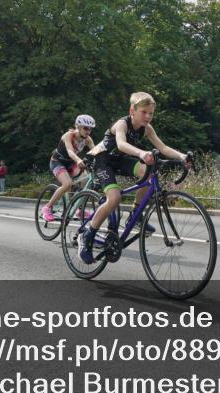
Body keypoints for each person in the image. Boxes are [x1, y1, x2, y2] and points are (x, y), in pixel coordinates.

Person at [80, 92, 191, 264]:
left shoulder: (147, 128)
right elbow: (121, 144)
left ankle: (135, 215)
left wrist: (182, 156)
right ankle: (88, 236)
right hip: (103, 160)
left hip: (121, 160)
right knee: (114, 198)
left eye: (151, 113)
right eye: (144, 112)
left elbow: (163, 147)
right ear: (132, 110)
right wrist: (141, 152)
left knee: (148, 172)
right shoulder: (122, 124)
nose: (148, 116)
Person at [41, 114, 96, 222]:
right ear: (78, 127)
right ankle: (47, 207)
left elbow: (96, 152)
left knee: (86, 180)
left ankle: (79, 209)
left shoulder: (88, 139)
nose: (88, 131)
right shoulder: (68, 136)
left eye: (90, 129)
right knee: (67, 184)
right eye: (85, 128)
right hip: (57, 162)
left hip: (71, 163)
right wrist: (79, 160)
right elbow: (70, 151)